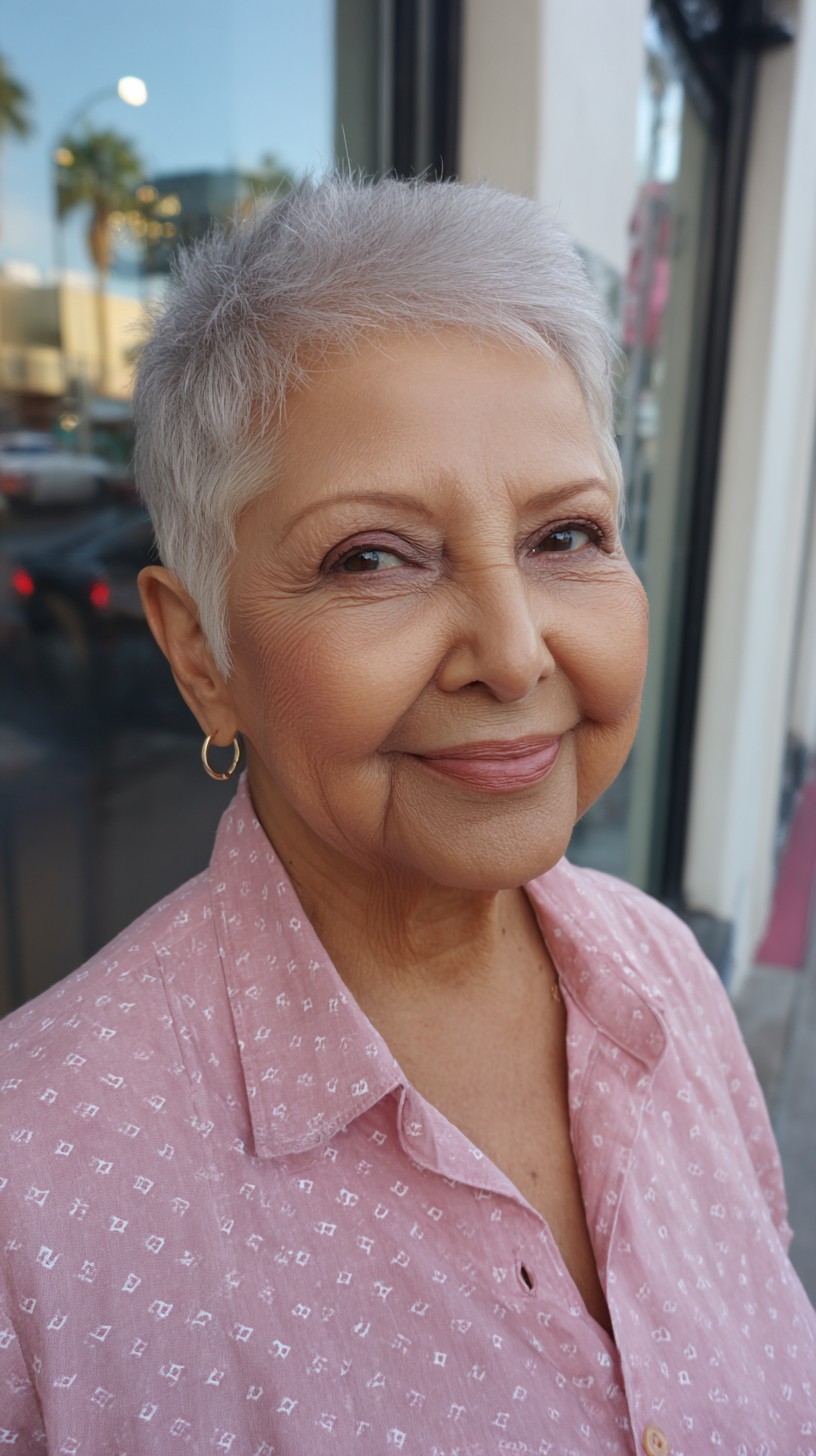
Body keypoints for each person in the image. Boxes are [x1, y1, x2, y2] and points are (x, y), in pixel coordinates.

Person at [1, 177, 813, 1455]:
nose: (510, 650)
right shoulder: (32, 1197)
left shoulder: (661, 973)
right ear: (201, 651)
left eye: (566, 535)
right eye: (371, 556)